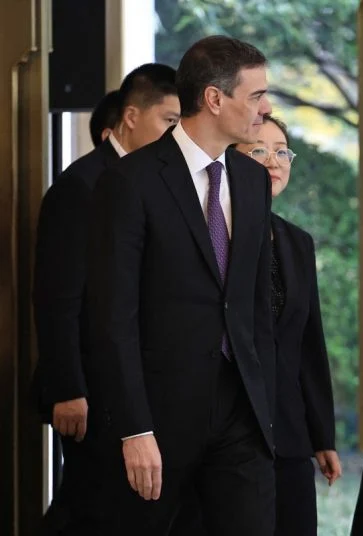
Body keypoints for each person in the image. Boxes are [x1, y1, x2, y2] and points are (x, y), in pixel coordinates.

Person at [86, 36, 275, 535]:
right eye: (256, 96)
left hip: (242, 413)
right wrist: (135, 428)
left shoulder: (252, 179)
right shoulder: (131, 181)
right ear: (214, 98)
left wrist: (268, 402)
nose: (265, 108)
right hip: (158, 416)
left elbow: (254, 302)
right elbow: (113, 316)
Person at [33, 63, 178, 535]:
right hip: (89, 389)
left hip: (133, 383)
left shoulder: (149, 181)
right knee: (89, 508)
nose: (175, 135)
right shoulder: (82, 185)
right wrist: (67, 387)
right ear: (131, 117)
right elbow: (57, 296)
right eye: (169, 121)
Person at [235, 114, 342, 536]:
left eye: (282, 152)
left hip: (290, 432)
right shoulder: (216, 236)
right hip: (233, 431)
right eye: (258, 150)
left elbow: (309, 346)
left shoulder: (297, 241)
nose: (273, 161)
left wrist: (322, 436)